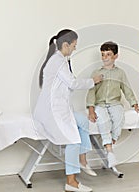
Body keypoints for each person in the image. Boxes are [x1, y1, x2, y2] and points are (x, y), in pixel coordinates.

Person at [34, 29, 103, 192]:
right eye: (74, 45)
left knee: (83, 121)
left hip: (57, 110)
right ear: (66, 44)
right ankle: (71, 182)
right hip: (52, 113)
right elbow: (72, 83)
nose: (75, 48)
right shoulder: (58, 61)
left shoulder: (56, 59)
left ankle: (82, 159)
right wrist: (93, 81)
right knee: (73, 140)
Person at [86, 41, 139, 168]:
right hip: (100, 104)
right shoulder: (96, 73)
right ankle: (110, 152)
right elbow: (91, 92)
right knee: (104, 121)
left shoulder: (120, 73)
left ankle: (109, 147)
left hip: (115, 103)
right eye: (103, 55)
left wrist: (134, 105)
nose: (105, 57)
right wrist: (91, 110)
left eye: (108, 54)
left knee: (118, 118)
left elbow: (126, 89)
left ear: (115, 56)